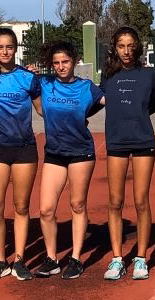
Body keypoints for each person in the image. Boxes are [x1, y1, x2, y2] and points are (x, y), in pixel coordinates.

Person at [35, 41, 105, 279]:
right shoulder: (44, 84)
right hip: (54, 153)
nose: (61, 66)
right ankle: (52, 258)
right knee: (45, 209)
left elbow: (113, 99)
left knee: (77, 205)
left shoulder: (87, 88)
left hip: (81, 153)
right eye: (56, 63)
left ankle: (75, 258)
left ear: (74, 61)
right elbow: (24, 86)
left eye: (65, 62)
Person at [0, 27, 42, 282]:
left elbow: (42, 110)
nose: (5, 51)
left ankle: (19, 259)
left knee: (21, 206)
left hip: (24, 149)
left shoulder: (28, 78)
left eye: (9, 47)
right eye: (0, 47)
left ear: (16, 49)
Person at [101, 27, 155, 281]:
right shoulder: (108, 75)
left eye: (131, 45)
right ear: (114, 47)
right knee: (115, 201)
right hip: (116, 142)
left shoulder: (149, 75)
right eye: (121, 46)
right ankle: (117, 258)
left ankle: (141, 258)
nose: (126, 51)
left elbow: (154, 102)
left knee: (141, 201)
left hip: (143, 140)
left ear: (138, 47)